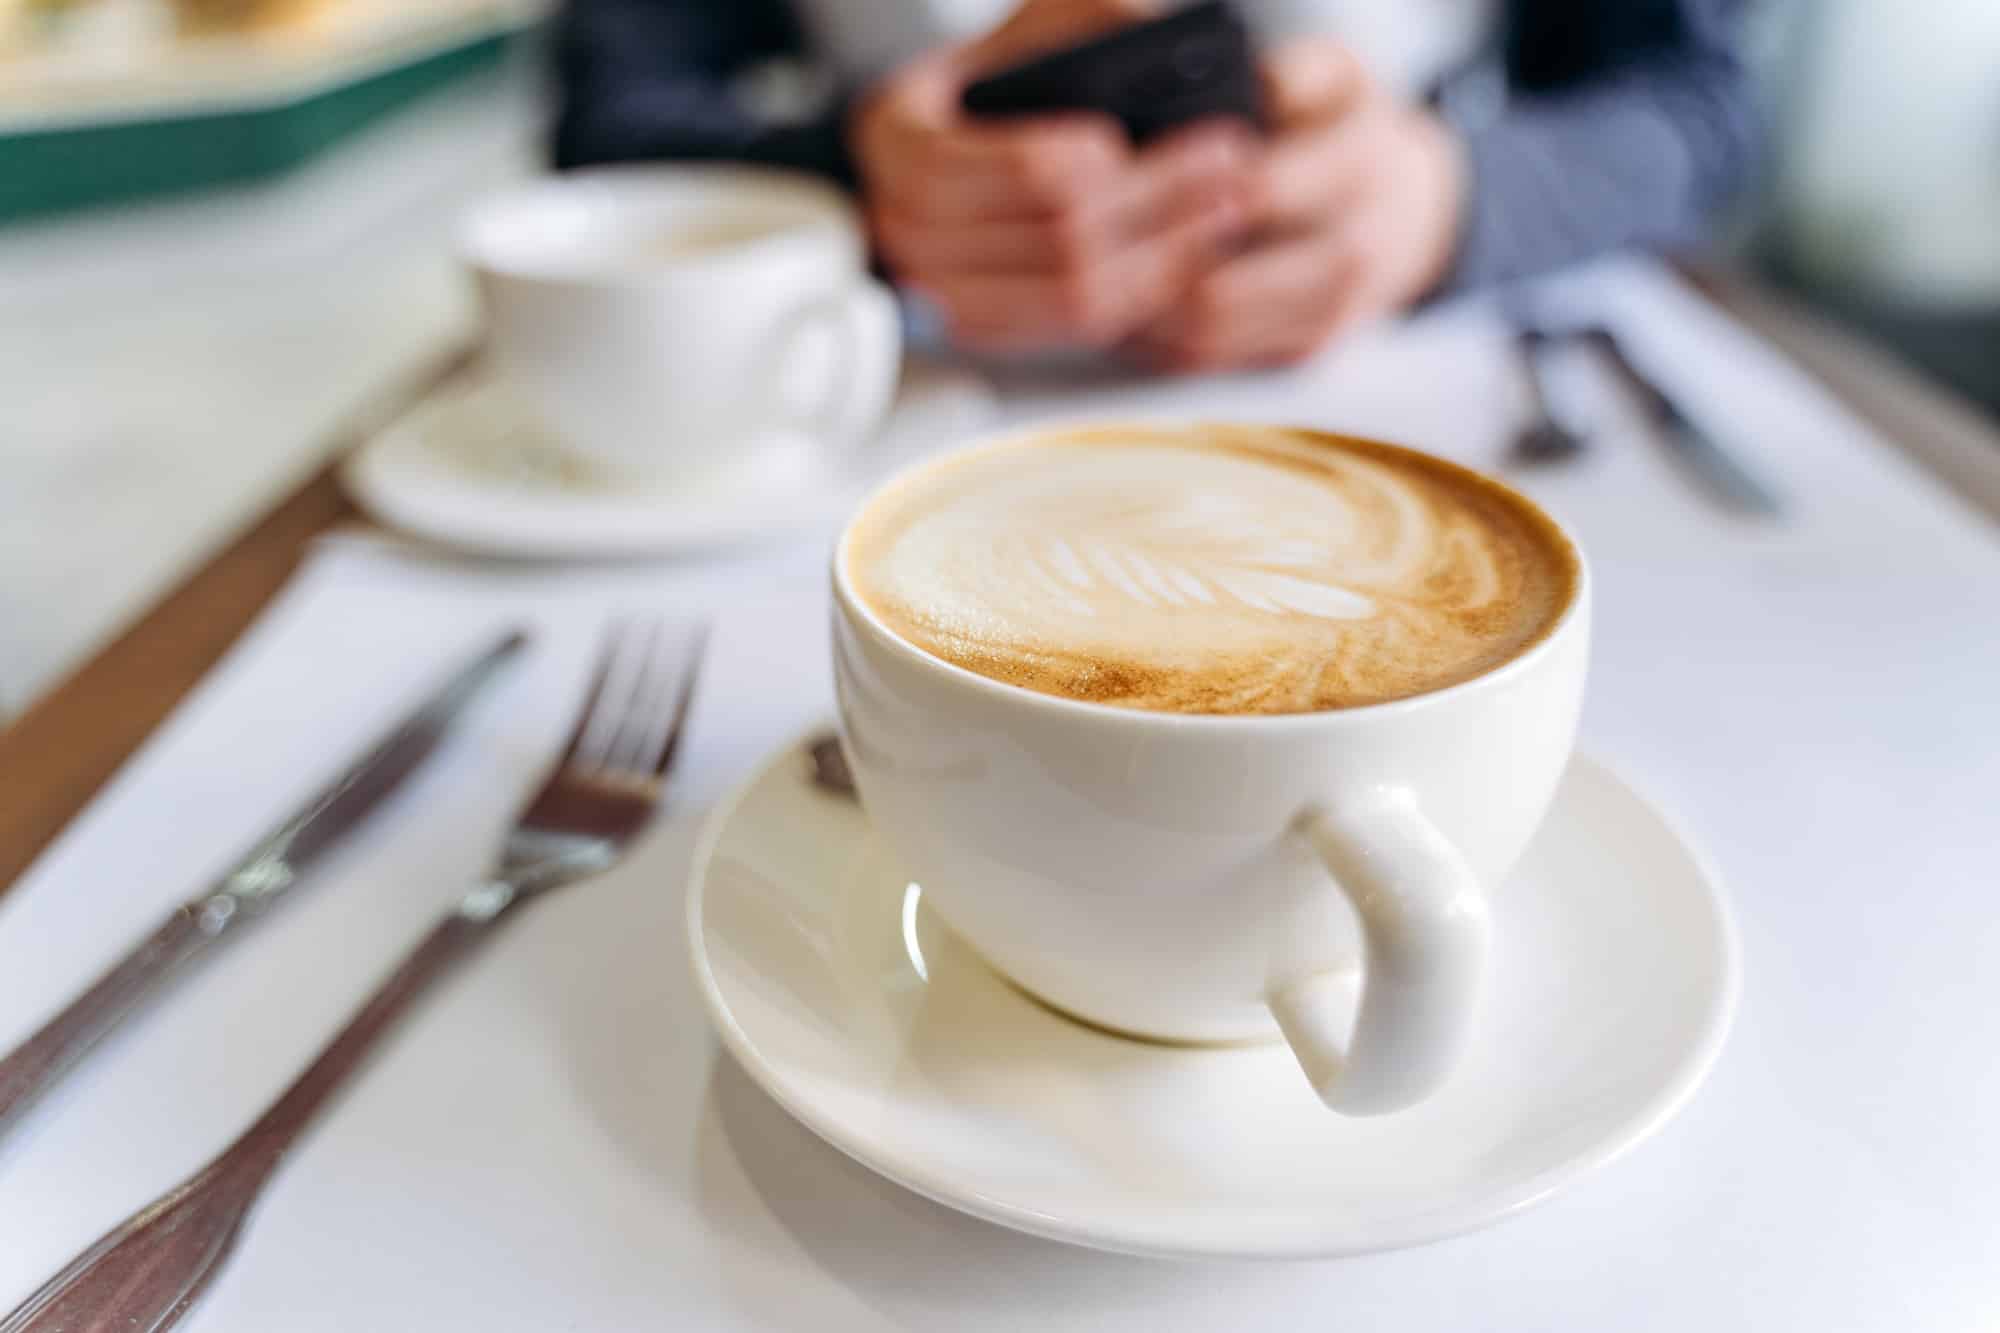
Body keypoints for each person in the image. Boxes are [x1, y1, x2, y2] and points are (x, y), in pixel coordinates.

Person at [553, 0, 1761, 369]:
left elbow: (1700, 106)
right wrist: (855, 176)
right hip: (867, 380)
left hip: (1409, 373)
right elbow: (603, 126)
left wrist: (1450, 197)